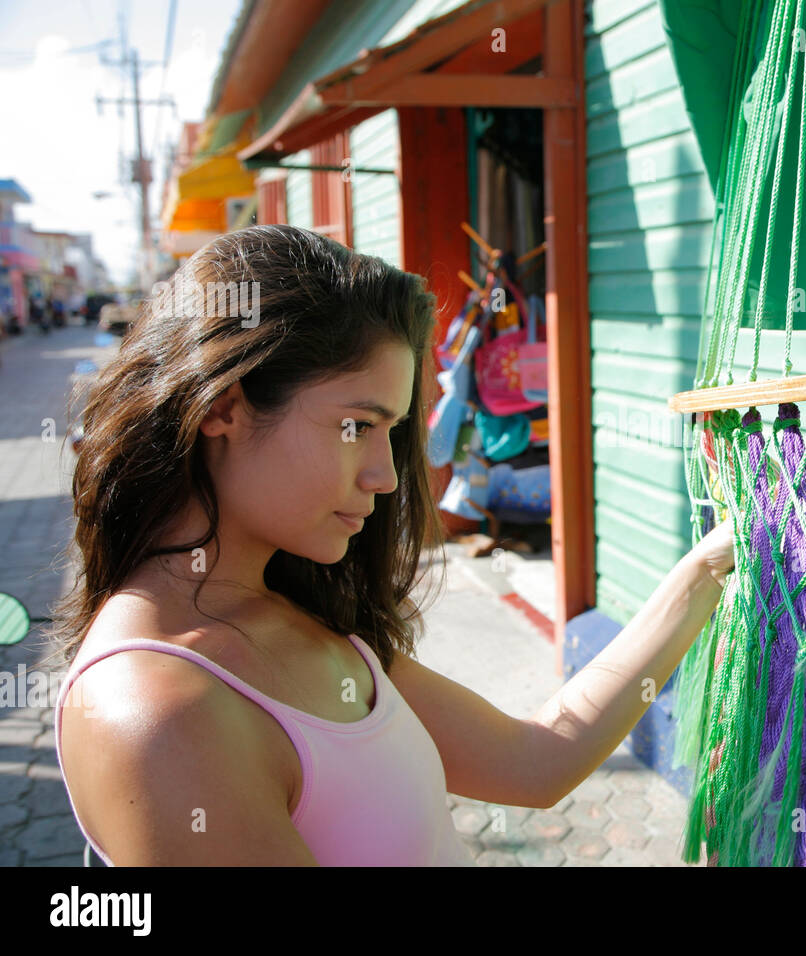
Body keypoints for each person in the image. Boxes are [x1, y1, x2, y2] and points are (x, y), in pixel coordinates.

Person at [43, 224, 735, 866]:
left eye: (391, 432)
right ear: (224, 405)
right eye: (355, 428)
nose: (383, 476)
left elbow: (536, 759)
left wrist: (707, 567)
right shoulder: (157, 713)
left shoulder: (292, 610)